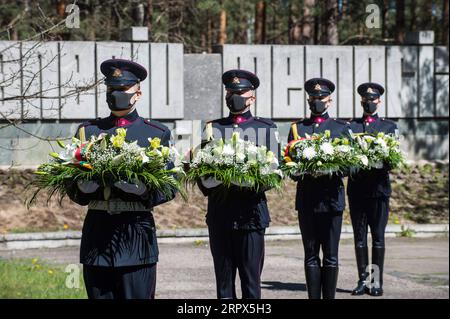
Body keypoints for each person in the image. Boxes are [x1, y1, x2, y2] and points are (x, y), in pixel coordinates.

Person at [65, 58, 176, 299]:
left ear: (137, 94)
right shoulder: (89, 131)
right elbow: (70, 184)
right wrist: (82, 188)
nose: (116, 94)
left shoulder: (155, 133)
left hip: (135, 234)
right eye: (111, 90)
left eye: (123, 90)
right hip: (98, 235)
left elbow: (169, 186)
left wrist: (143, 191)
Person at [197, 69, 280, 299]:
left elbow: (274, 174)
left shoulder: (265, 128)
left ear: (252, 97)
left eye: (240, 92)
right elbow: (202, 176)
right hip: (220, 215)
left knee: (251, 284)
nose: (234, 96)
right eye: (230, 91)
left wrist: (245, 179)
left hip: (250, 217)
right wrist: (208, 177)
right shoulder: (213, 128)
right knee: (224, 287)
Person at [287, 78, 352, 299]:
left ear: (329, 100)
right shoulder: (297, 128)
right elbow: (289, 165)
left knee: (331, 255)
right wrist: (303, 170)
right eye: (313, 98)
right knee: (310, 254)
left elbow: (351, 165)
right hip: (307, 199)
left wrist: (331, 168)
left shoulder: (342, 128)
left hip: (332, 199)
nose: (316, 101)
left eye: (320, 98)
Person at [348, 82, 398, 297]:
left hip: (378, 189)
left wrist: (379, 161)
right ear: (361, 101)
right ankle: (363, 280)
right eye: (365, 100)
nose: (369, 102)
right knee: (359, 237)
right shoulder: (351, 126)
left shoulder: (389, 127)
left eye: (373, 99)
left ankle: (376, 281)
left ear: (379, 100)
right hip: (357, 189)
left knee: (377, 236)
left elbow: (393, 160)